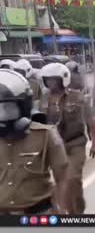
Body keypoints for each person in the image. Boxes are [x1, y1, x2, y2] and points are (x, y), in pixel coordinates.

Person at [0, 69, 69, 215]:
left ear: (23, 107)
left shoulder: (46, 135)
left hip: (38, 214)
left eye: (6, 108)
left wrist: (64, 211)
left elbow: (62, 178)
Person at [39, 63, 95, 214]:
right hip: (53, 147)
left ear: (63, 79)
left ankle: (77, 212)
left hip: (75, 144)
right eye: (48, 80)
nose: (51, 83)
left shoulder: (77, 97)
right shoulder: (43, 100)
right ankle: (64, 213)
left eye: (55, 79)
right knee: (59, 182)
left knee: (73, 179)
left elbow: (90, 120)